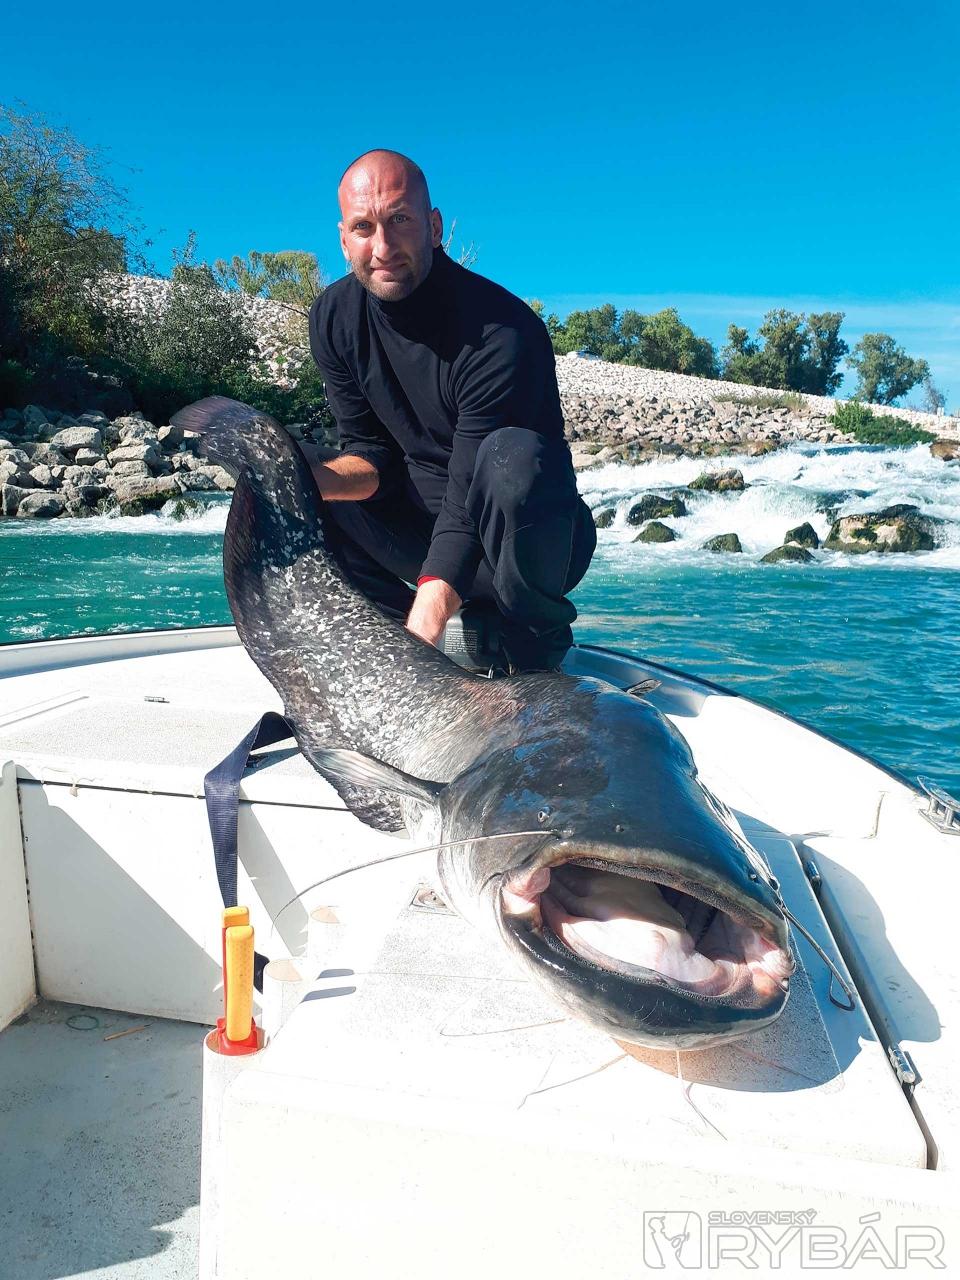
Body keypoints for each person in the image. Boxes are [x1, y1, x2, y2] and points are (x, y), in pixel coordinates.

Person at [304, 148, 596, 672]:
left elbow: (467, 498)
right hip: (418, 535)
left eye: (400, 220)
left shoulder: (502, 331)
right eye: (364, 227)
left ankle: (532, 644)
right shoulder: (333, 318)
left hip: (521, 545)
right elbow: (370, 454)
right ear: (344, 240)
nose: (383, 247)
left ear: (434, 227)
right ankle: (386, 633)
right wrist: (296, 479)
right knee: (290, 471)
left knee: (512, 458)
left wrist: (424, 639)